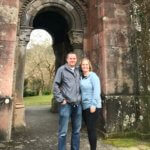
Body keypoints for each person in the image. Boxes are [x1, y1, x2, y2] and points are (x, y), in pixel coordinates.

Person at [53, 52, 82, 150]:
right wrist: (61, 99)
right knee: (63, 132)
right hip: (66, 105)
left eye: (74, 58)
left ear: (76, 59)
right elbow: (55, 85)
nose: (72, 60)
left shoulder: (78, 70)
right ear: (67, 59)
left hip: (77, 105)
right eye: (70, 58)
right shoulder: (61, 70)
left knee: (76, 131)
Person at [80, 58, 102, 150]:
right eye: (83, 65)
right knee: (89, 130)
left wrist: (93, 104)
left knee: (91, 129)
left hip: (93, 106)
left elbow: (97, 91)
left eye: (86, 64)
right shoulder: (81, 77)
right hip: (84, 107)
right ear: (81, 67)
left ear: (89, 66)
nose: (85, 66)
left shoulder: (93, 76)